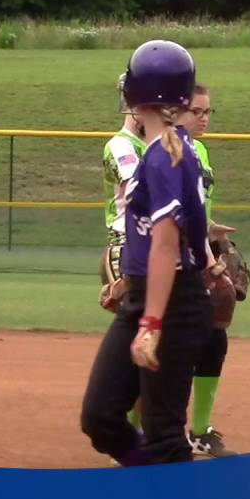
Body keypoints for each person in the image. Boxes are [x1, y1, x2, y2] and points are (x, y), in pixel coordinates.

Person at [78, 39, 217, 465]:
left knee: (164, 435)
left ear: (137, 95)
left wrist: (152, 322)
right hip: (144, 294)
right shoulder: (166, 151)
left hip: (170, 306)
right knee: (101, 416)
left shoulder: (165, 156)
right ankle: (155, 497)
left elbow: (165, 242)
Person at [178, 84, 239, 458]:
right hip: (175, 261)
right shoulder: (168, 152)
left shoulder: (200, 150)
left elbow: (196, 211)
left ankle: (200, 430)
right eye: (196, 111)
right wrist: (206, 255)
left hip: (200, 254)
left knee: (214, 340)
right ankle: (134, 432)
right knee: (171, 348)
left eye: (207, 112)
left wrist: (210, 230)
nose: (203, 119)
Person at [97, 74, 149, 433]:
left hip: (156, 247)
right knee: (139, 344)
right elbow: (141, 193)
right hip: (126, 249)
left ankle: (145, 426)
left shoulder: (163, 145)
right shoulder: (121, 146)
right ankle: (128, 429)